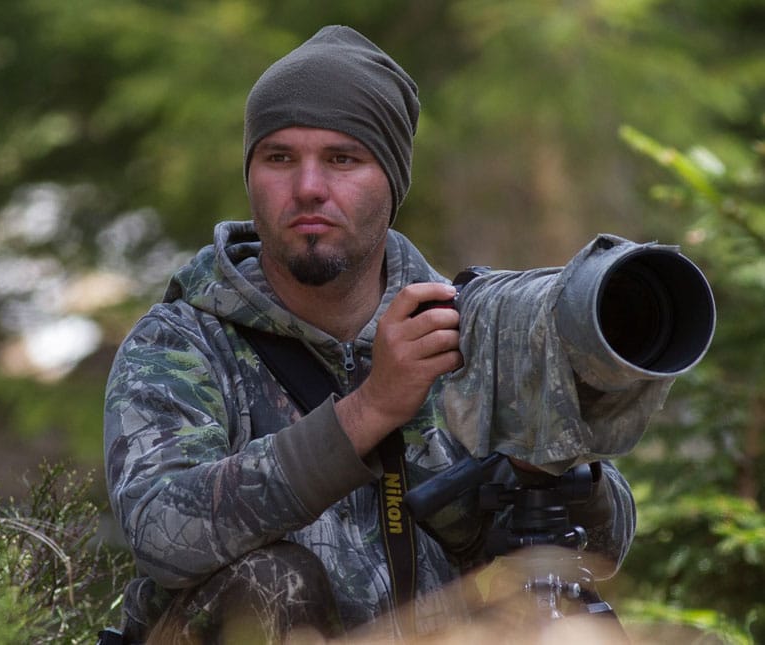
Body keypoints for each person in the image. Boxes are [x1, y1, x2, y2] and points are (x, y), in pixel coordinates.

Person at [103, 25, 636, 643]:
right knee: (272, 581)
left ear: (392, 184)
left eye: (342, 159)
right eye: (279, 158)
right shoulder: (181, 343)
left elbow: (607, 549)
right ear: (250, 177)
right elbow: (161, 533)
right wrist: (372, 408)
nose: (308, 187)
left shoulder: (459, 329)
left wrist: (544, 459)